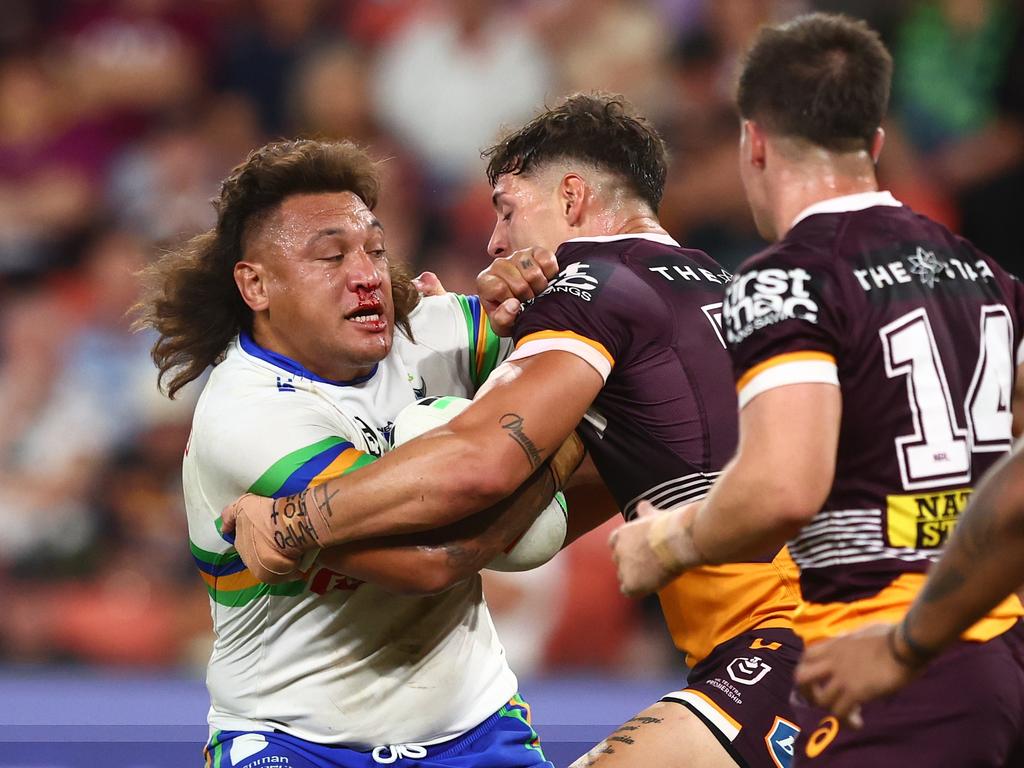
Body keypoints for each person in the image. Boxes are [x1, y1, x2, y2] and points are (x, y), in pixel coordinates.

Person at [228, 93, 804, 768]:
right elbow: (536, 511)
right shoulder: (726, 290)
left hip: (791, 646)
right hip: (880, 628)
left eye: (506, 208)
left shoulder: (594, 287)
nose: (497, 241)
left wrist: (296, 520)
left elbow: (478, 465)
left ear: (570, 197)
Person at [609, 13, 1024, 766]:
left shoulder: (787, 278)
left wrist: (666, 544)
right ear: (874, 145)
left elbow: (782, 488)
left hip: (882, 667)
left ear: (754, 142)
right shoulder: (988, 276)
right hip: (998, 656)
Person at [136, 138, 572, 768]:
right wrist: (547, 467)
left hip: (475, 727)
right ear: (255, 284)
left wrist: (541, 302)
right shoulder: (247, 415)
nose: (366, 275)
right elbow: (425, 564)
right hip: (294, 738)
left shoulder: (434, 334)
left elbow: (601, 386)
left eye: (374, 249)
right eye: (331, 256)